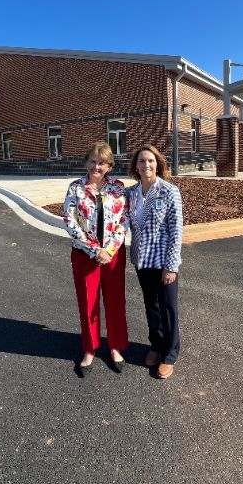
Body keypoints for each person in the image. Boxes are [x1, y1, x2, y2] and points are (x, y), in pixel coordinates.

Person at [63, 142, 129, 376]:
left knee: (115, 301)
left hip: (112, 255)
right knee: (88, 302)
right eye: (92, 161)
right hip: (84, 255)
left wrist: (109, 250)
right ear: (86, 162)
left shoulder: (118, 188)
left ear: (109, 166)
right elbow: (70, 221)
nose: (96, 166)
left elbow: (123, 221)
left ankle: (115, 346)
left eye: (101, 162)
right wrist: (94, 249)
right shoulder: (75, 189)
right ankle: (89, 349)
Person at [126, 144, 183, 379]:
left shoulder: (169, 191)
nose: (146, 165)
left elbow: (176, 231)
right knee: (151, 306)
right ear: (136, 167)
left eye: (150, 161)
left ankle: (170, 354)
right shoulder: (131, 193)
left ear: (158, 164)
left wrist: (171, 266)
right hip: (142, 260)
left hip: (163, 261)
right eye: (142, 161)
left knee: (168, 308)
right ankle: (156, 345)